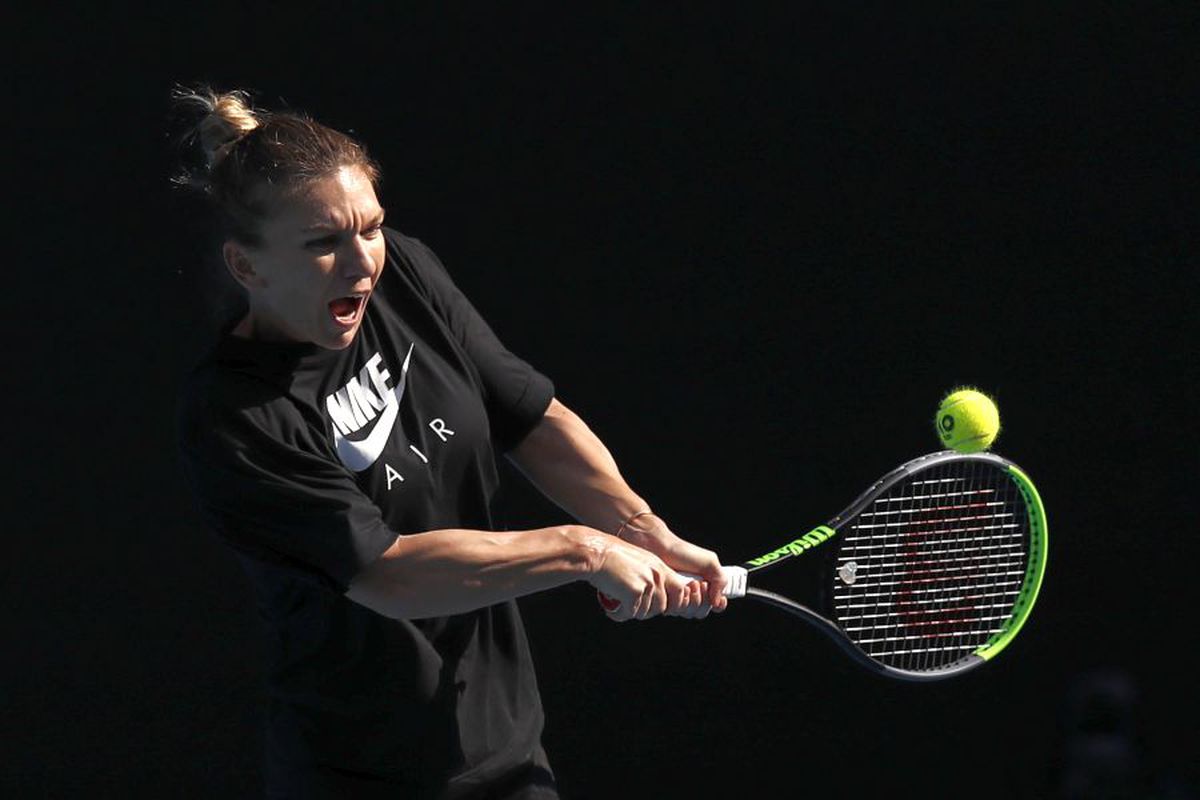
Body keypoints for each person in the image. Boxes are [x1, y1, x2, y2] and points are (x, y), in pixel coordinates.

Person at [172, 86, 729, 800]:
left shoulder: (404, 273)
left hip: (506, 750)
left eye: (369, 229)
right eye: (322, 243)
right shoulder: (235, 414)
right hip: (359, 773)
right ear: (247, 267)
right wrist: (585, 550)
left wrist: (641, 530)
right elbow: (389, 574)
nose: (360, 263)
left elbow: (530, 416)